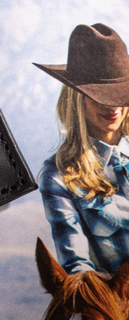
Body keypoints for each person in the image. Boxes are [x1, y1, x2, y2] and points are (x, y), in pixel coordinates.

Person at [34, 23, 129, 275]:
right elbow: (78, 267)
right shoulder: (59, 177)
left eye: (119, 93)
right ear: (76, 98)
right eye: (100, 96)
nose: (113, 107)